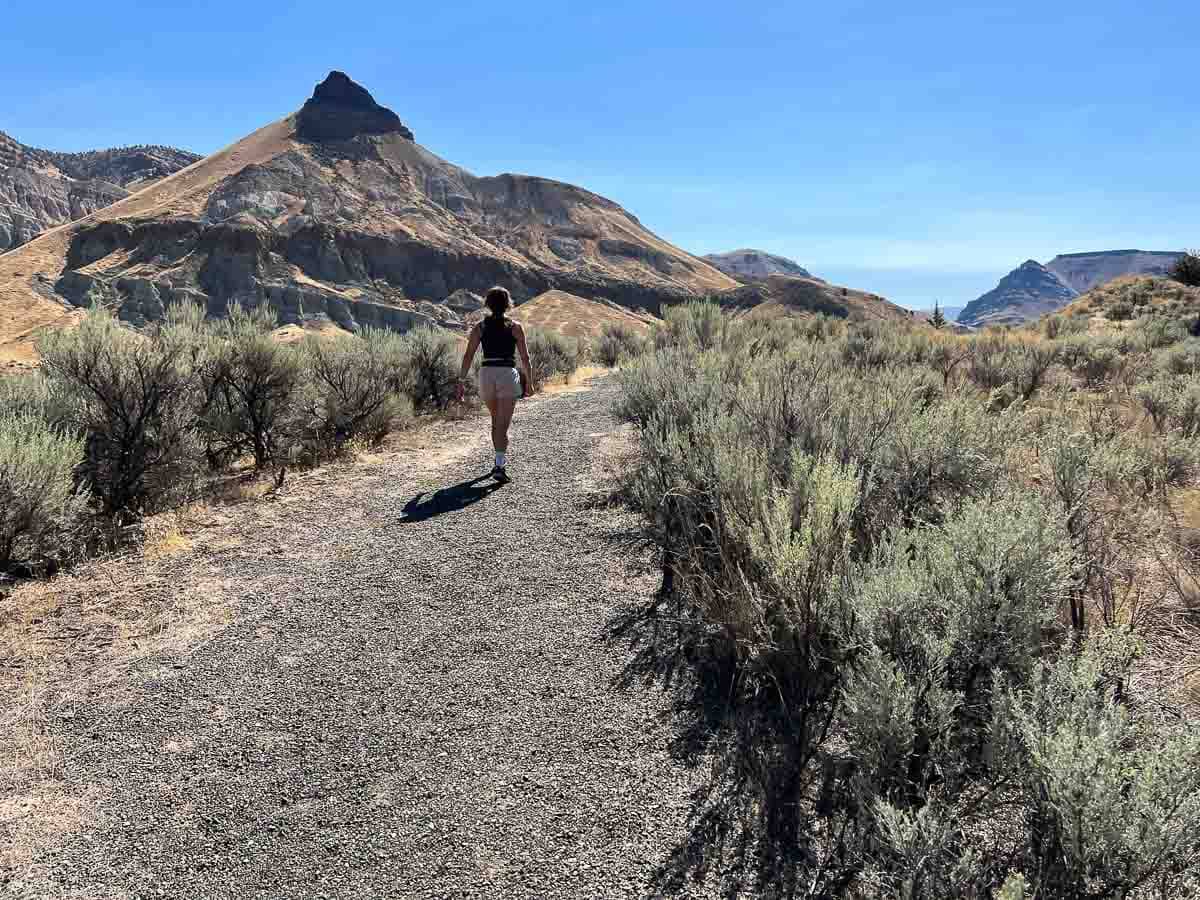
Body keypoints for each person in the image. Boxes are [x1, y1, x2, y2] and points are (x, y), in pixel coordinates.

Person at [456, 286, 534, 482]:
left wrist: (461, 380)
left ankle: (498, 461)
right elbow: (525, 358)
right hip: (507, 374)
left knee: (495, 421)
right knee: (502, 424)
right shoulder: (515, 327)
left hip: (486, 375)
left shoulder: (480, 327)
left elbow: (468, 356)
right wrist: (530, 383)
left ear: (488, 304)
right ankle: (499, 466)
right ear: (508, 304)